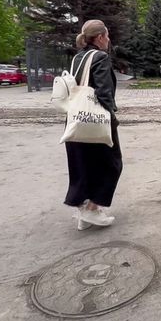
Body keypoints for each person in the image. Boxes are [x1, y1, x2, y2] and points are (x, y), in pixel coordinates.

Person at [65, 19, 122, 230]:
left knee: (83, 165)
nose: (108, 40)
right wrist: (111, 117)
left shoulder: (77, 58)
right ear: (99, 37)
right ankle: (92, 208)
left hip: (74, 121)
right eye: (107, 36)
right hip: (94, 121)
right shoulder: (100, 57)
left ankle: (86, 213)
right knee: (112, 163)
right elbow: (103, 92)